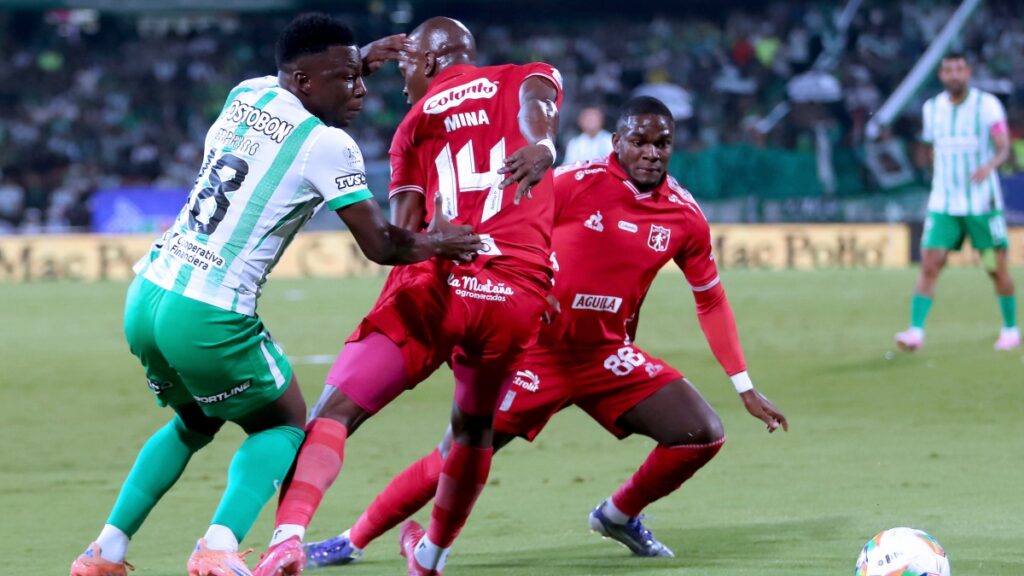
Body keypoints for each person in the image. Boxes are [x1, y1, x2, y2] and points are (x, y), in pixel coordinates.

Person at [69, 14, 481, 576]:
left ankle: (105, 550)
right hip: (209, 312)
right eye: (347, 79)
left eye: (358, 76)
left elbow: (296, 75)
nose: (360, 91)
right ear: (306, 81)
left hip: (149, 293)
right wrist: (442, 241)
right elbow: (382, 245)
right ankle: (217, 545)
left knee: (194, 422)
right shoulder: (326, 144)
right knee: (285, 422)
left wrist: (355, 60)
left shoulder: (248, 94)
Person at [302, 96, 788, 568]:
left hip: (605, 354)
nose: (651, 153)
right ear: (616, 142)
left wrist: (743, 385)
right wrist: (528, 286)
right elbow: (495, 231)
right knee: (457, 453)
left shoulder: (684, 214)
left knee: (700, 434)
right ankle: (351, 540)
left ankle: (617, 516)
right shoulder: (572, 183)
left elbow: (711, 299)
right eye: (639, 141)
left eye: (662, 144)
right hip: (534, 352)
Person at [253, 16, 562, 576]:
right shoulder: (523, 75)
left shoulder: (413, 126)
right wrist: (542, 144)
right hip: (518, 297)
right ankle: (430, 558)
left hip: (441, 285)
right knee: (473, 431)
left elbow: (402, 236)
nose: (401, 85)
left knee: (335, 411)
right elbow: (537, 104)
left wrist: (437, 243)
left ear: (427, 62)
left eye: (405, 70)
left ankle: (288, 538)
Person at [895, 53, 1018, 352]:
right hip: (944, 204)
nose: (954, 75)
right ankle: (915, 332)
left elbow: (1003, 147)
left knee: (995, 267)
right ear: (941, 75)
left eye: (959, 69)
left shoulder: (986, 105)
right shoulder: (932, 108)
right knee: (930, 263)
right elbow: (930, 148)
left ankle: (1011, 329)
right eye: (948, 70)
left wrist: (990, 166)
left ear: (968, 73)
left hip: (982, 205)